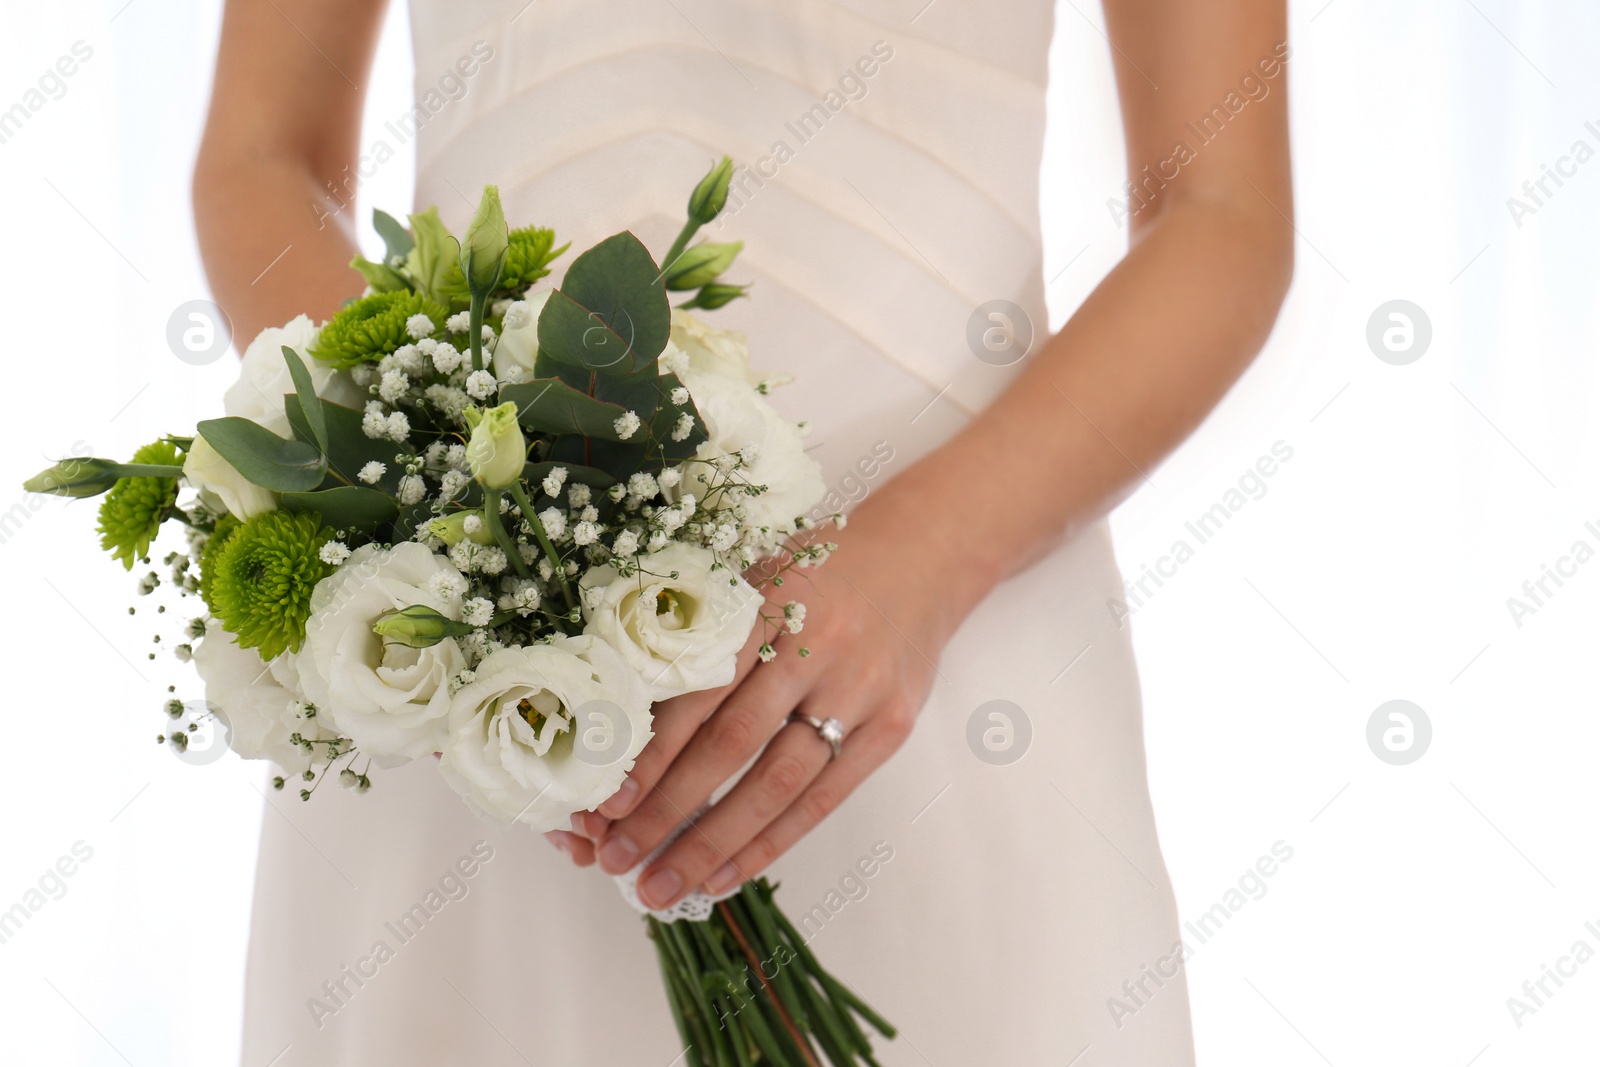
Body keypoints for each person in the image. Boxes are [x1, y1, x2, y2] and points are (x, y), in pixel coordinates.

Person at [195, 1, 1292, 1062]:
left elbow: (1222, 213)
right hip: (466, 655)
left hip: (947, 646)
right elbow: (263, 153)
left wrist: (925, 556)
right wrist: (438, 480)